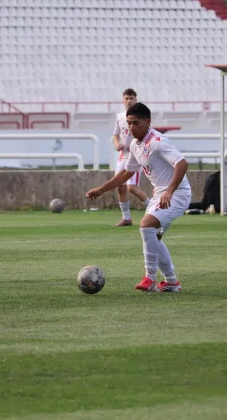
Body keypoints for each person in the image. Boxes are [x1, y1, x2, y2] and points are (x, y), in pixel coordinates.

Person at [86, 103, 190, 293]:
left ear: (148, 122)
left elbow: (182, 164)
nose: (131, 128)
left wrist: (169, 191)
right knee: (153, 236)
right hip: (160, 194)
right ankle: (171, 282)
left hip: (178, 193)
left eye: (135, 123)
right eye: (128, 123)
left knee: (146, 225)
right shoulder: (134, 145)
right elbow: (126, 173)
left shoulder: (158, 141)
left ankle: (150, 278)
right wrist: (101, 190)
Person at [111, 88, 150, 226]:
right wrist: (117, 144)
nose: (129, 101)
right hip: (123, 155)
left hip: (135, 155)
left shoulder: (140, 117)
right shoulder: (120, 116)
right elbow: (115, 134)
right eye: (126, 98)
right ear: (123, 100)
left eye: (131, 98)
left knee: (131, 187)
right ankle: (126, 218)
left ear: (136, 99)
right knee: (120, 186)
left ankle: (154, 210)